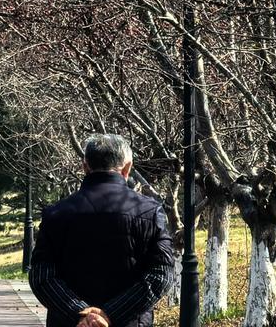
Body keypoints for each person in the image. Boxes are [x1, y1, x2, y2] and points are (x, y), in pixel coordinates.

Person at [29, 134, 176, 327]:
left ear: (85, 166)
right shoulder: (149, 211)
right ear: (127, 167)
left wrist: (80, 313)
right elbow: (161, 274)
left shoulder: (56, 213)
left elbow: (41, 276)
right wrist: (109, 314)